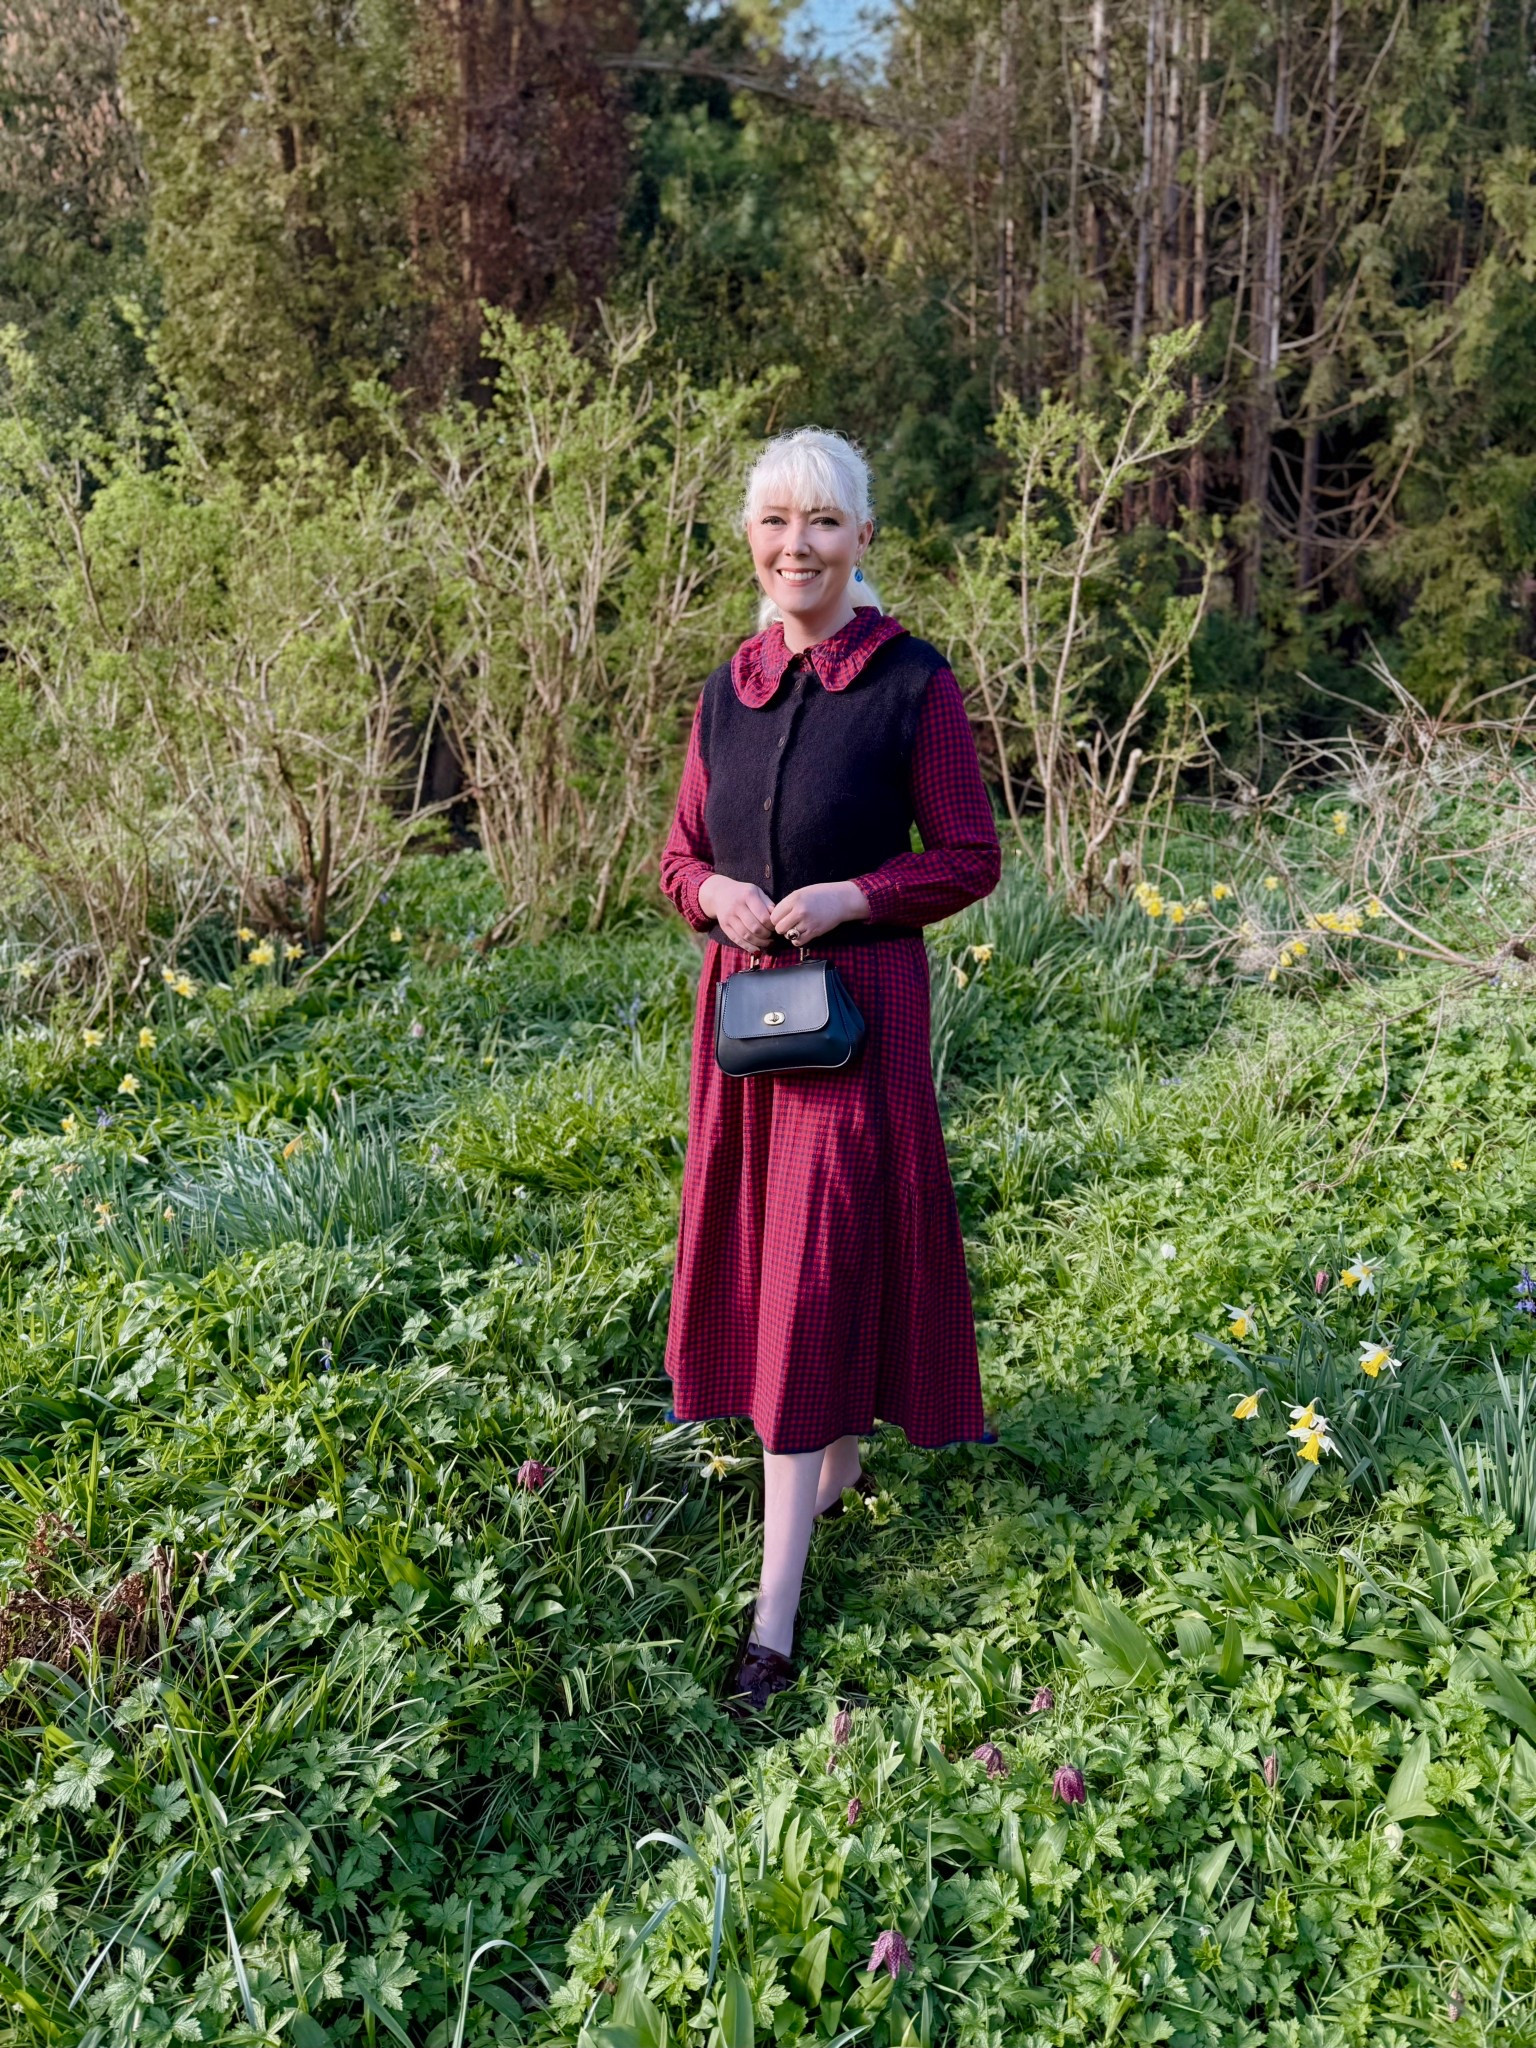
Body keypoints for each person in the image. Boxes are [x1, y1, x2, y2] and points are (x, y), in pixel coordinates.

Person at [658, 426, 1001, 1711]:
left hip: (860, 1019)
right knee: (774, 1260)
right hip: (746, 1024)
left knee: (815, 1268)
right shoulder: (725, 688)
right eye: (773, 521)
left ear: (863, 538)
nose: (794, 545)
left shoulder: (913, 679)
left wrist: (857, 892)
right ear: (750, 537)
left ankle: (775, 1618)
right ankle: (821, 1462)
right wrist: (720, 892)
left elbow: (969, 854)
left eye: (821, 523)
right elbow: (676, 857)